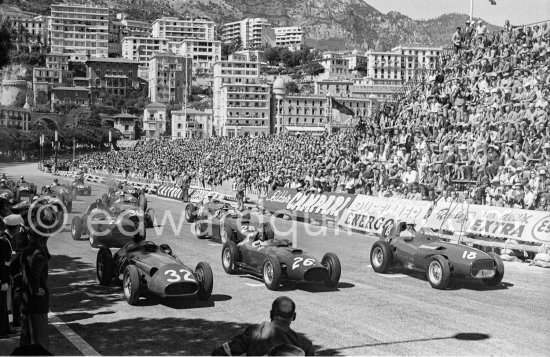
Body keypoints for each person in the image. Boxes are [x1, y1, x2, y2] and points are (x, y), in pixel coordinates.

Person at [212, 296, 315, 356]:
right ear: (294, 317)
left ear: (271, 313)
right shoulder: (306, 345)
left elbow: (218, 353)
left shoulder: (254, 332)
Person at [19, 207, 52, 350]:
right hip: (36, 302)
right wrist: (36, 290)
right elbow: (34, 275)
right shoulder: (38, 254)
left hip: (25, 299)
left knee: (26, 337)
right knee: (40, 340)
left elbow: (15, 267)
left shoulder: (26, 250)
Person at [2, 214, 26, 329]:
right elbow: (3, 263)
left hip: (6, 275)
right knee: (3, 303)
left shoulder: (7, 239)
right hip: (3, 277)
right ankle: (3, 329)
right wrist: (5, 279)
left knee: (5, 303)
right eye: (18, 228)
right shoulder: (4, 241)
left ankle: (6, 327)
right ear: (15, 228)